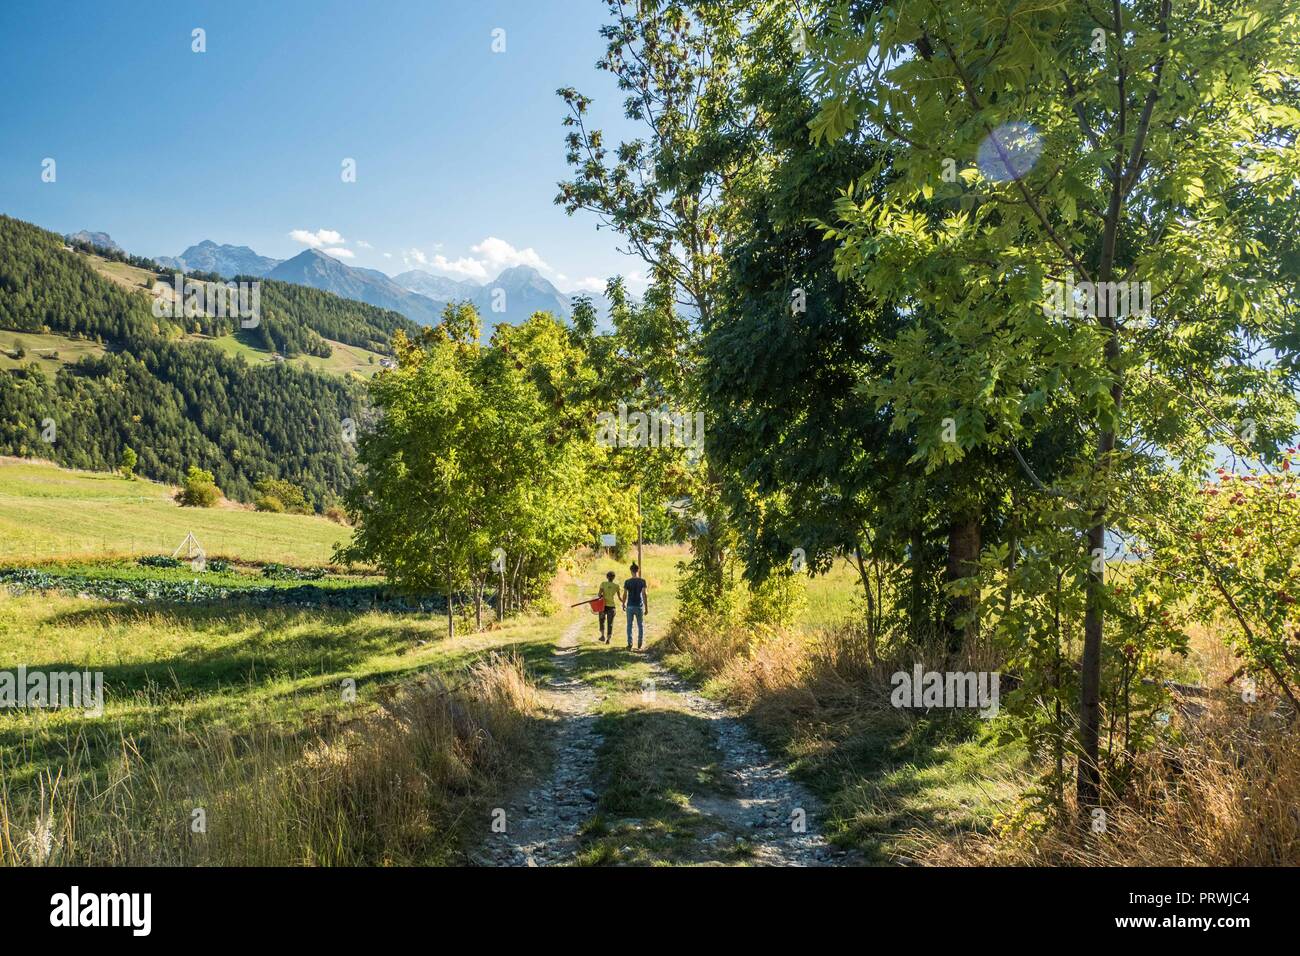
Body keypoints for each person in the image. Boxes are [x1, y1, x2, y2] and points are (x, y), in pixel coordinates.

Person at [622, 562, 648, 650]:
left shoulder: (627, 582)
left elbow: (625, 594)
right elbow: (644, 594)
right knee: (640, 625)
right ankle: (640, 643)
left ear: (631, 571)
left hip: (630, 606)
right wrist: (646, 607)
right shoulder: (642, 581)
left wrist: (623, 603)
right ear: (638, 570)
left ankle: (630, 643)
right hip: (639, 606)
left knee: (629, 625)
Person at [597, 571, 620, 643]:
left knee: (602, 621)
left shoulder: (603, 584)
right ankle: (608, 639)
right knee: (610, 623)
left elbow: (599, 594)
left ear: (607, 577)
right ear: (614, 578)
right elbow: (619, 597)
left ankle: (602, 636)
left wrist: (601, 596)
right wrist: (623, 603)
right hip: (612, 607)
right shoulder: (616, 586)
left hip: (603, 606)